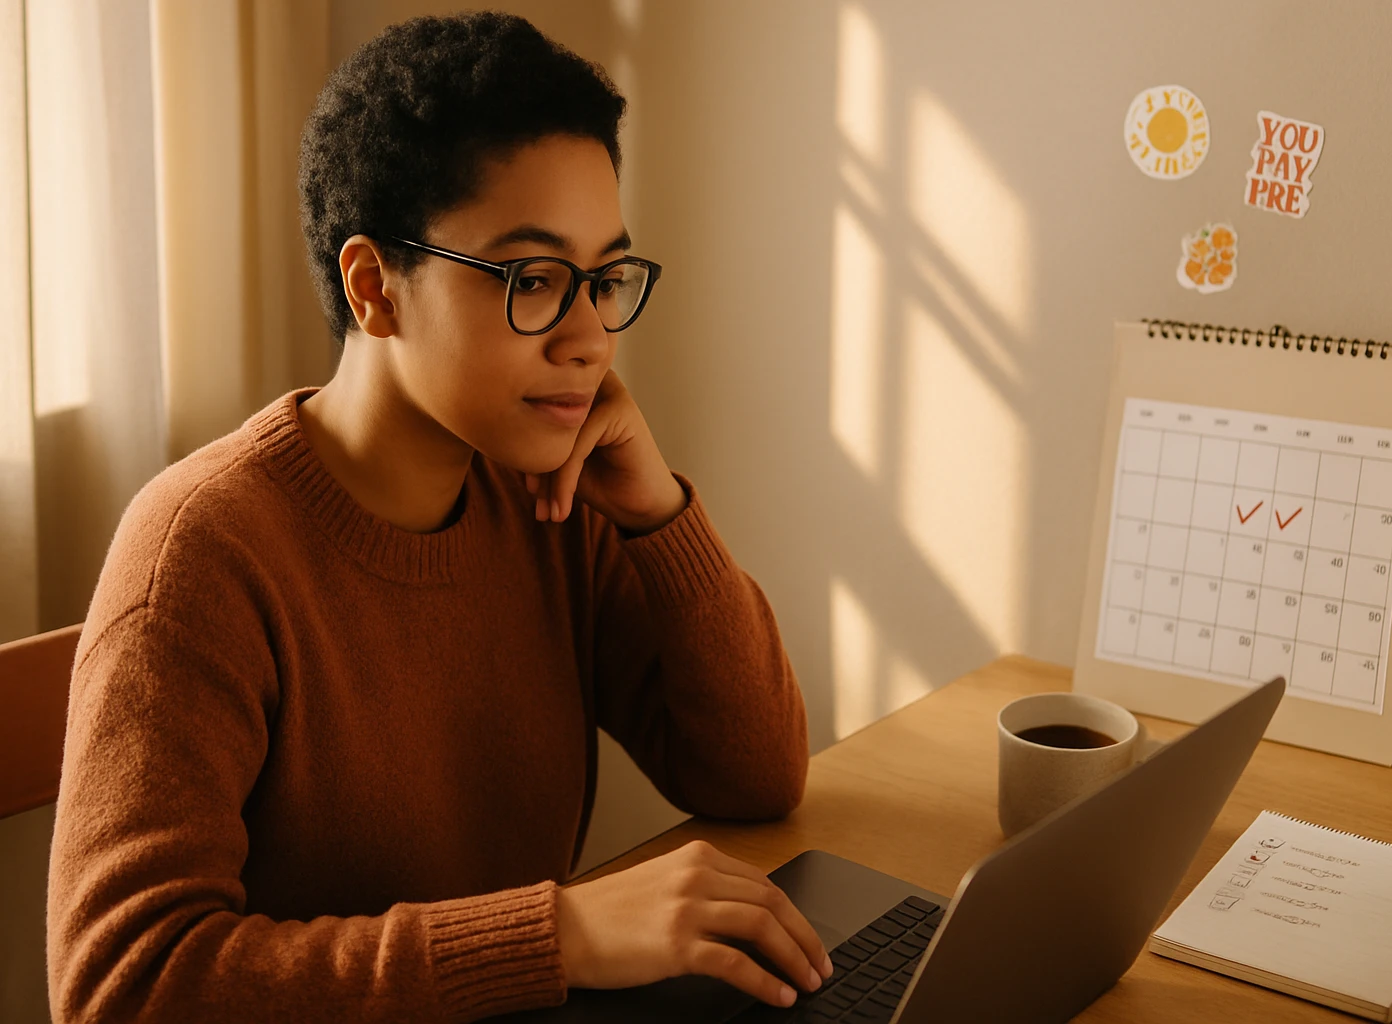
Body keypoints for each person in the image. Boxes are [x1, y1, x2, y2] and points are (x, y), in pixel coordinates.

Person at [46, 12, 831, 1022]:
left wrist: (658, 513)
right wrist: (558, 934)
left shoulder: (545, 491)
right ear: (374, 287)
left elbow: (757, 774)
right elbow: (125, 987)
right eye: (536, 280)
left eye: (604, 279)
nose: (591, 338)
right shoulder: (203, 551)